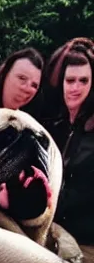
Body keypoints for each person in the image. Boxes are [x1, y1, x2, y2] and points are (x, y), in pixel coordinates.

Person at [43, 40, 94, 243]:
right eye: (70, 80)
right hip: (55, 235)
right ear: (60, 81)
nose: (76, 87)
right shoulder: (55, 127)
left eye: (84, 81)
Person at [0, 47, 44, 113]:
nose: (27, 89)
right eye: (22, 78)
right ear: (5, 75)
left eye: (34, 85)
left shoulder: (26, 121)